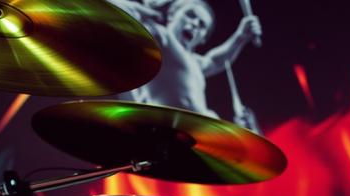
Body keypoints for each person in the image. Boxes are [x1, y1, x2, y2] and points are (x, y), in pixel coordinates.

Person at [109, 0, 261, 121]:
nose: (195, 24)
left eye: (202, 25)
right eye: (190, 15)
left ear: (202, 39)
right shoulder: (161, 38)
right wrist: (144, 10)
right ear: (172, 15)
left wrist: (240, 36)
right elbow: (112, 8)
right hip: (162, 126)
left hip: (195, 132)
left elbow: (215, 61)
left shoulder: (194, 62)